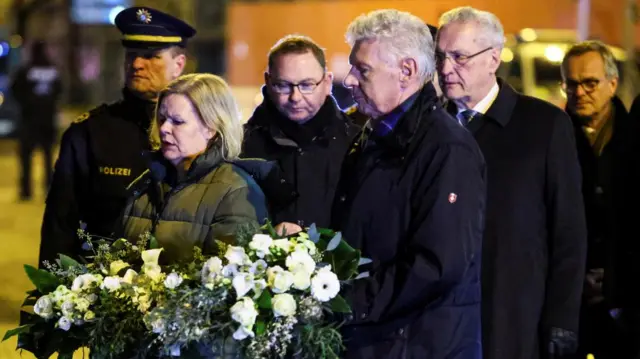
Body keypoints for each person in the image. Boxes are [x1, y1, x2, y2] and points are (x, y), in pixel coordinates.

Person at [332, 9, 486, 358]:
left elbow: (436, 266)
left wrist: (346, 302)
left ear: (407, 71)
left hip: (417, 344)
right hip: (376, 340)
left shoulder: (446, 148)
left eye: (363, 69)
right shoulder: (371, 137)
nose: (350, 80)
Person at [436, 6, 587, 359]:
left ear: (492, 59)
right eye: (440, 57)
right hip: (443, 323)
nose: (445, 69)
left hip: (517, 320)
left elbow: (568, 231)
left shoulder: (544, 125)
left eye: (459, 57)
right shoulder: (432, 127)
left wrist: (562, 318)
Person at [39, 7, 194, 267]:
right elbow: (61, 223)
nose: (136, 64)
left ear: (178, 64)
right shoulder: (89, 133)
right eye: (131, 54)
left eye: (151, 56)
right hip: (105, 289)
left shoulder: (202, 130)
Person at [119, 73, 268, 263]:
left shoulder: (235, 191)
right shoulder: (145, 183)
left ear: (211, 128)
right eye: (162, 118)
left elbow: (228, 278)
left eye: (177, 121)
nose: (164, 128)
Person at [562, 40, 640, 359]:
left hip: (629, 297)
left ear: (612, 83)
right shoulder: (553, 138)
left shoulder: (635, 136)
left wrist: (615, 277)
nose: (580, 92)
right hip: (572, 297)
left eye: (590, 83)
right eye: (572, 84)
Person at [241, 35, 359, 231]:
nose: (295, 97)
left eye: (307, 85)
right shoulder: (241, 146)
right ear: (268, 82)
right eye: (283, 85)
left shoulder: (355, 143)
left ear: (327, 82)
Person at [10, 39, 62, 201]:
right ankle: (48, 187)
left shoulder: (26, 70)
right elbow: (59, 90)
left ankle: (26, 190)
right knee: (47, 156)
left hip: (29, 119)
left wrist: (26, 104)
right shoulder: (52, 69)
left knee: (26, 157)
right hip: (47, 119)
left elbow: (15, 89)